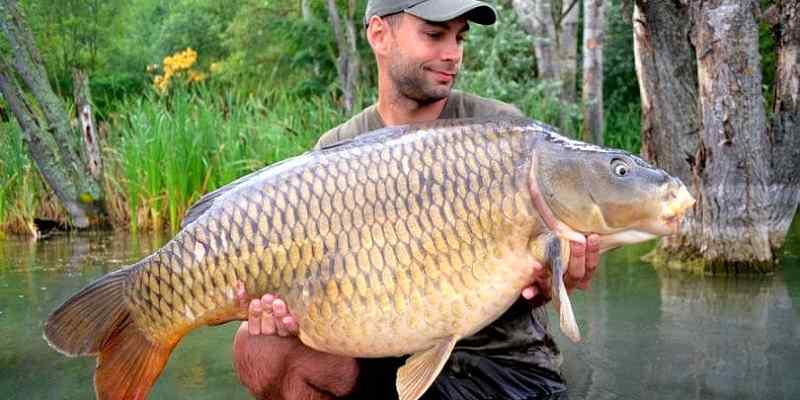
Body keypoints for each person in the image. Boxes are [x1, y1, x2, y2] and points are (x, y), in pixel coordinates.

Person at [232, 1, 600, 399]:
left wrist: (553, 280)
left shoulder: (503, 136)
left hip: (498, 365)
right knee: (257, 345)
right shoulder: (335, 152)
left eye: (459, 37)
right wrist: (281, 307)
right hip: (377, 352)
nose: (453, 53)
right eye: (434, 34)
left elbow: (535, 272)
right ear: (378, 35)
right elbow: (311, 283)